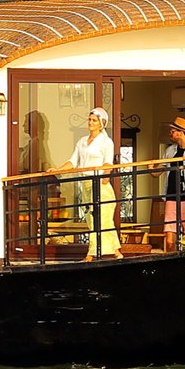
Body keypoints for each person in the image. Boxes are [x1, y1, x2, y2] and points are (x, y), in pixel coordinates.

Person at [59, 106, 119, 258]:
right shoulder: (82, 141)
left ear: (101, 123)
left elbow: (107, 162)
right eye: (89, 119)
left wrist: (105, 176)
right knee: (91, 218)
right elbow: (73, 161)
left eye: (94, 120)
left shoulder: (106, 142)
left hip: (100, 184)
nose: (90, 122)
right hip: (85, 184)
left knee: (101, 218)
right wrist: (57, 170)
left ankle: (91, 254)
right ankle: (116, 252)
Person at [157, 116, 185, 233]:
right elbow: (158, 172)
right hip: (171, 195)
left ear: (181, 133)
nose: (170, 134)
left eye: (172, 131)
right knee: (169, 231)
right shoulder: (170, 150)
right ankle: (170, 251)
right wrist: (151, 168)